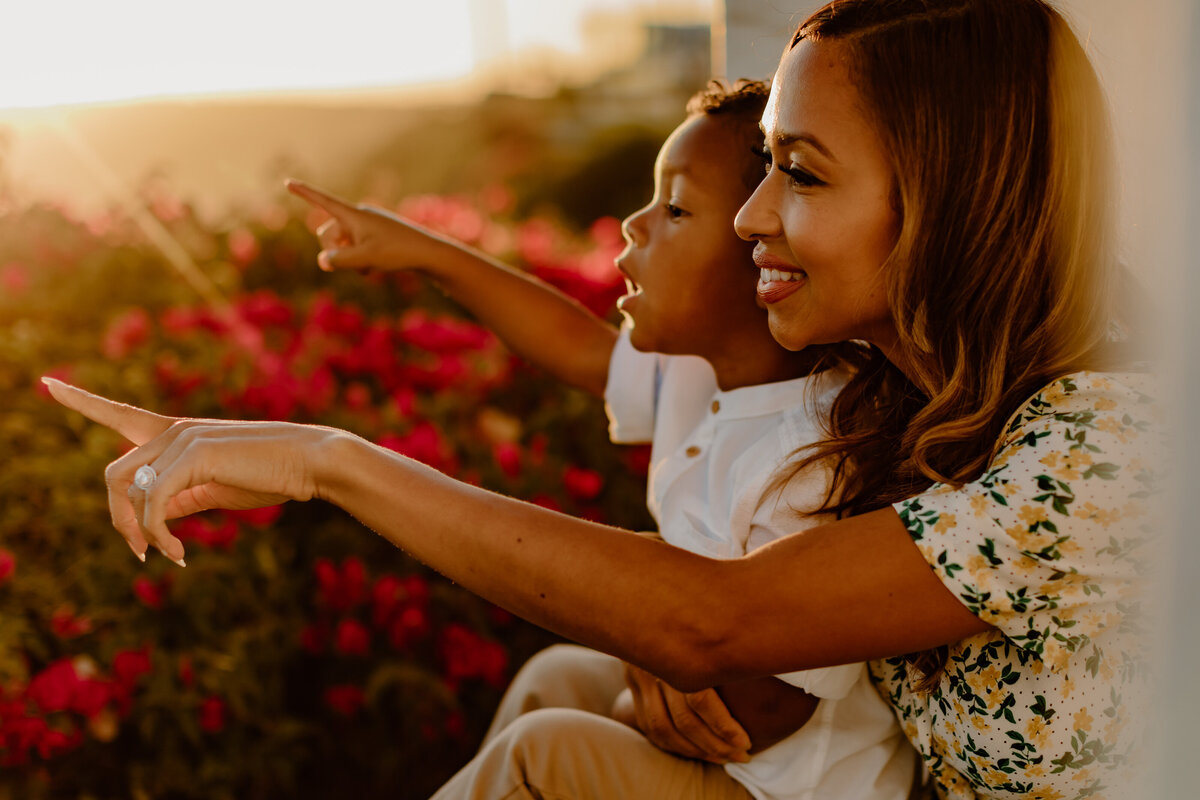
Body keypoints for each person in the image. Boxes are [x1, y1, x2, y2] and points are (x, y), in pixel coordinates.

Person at [47, 1, 1158, 797]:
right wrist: (650, 656)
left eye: (802, 173)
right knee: (563, 674)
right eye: (763, 167)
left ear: (955, 203)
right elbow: (691, 614)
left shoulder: (1100, 449)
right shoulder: (919, 395)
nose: (750, 217)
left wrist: (324, 459)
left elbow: (714, 620)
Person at [288, 81, 914, 800]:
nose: (634, 225)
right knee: (553, 677)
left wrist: (632, 688)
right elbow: (579, 350)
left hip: (778, 785)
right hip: (727, 748)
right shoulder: (695, 370)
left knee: (545, 753)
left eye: (675, 209)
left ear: (765, 256)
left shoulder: (815, 450)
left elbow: (763, 713)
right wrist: (426, 253)